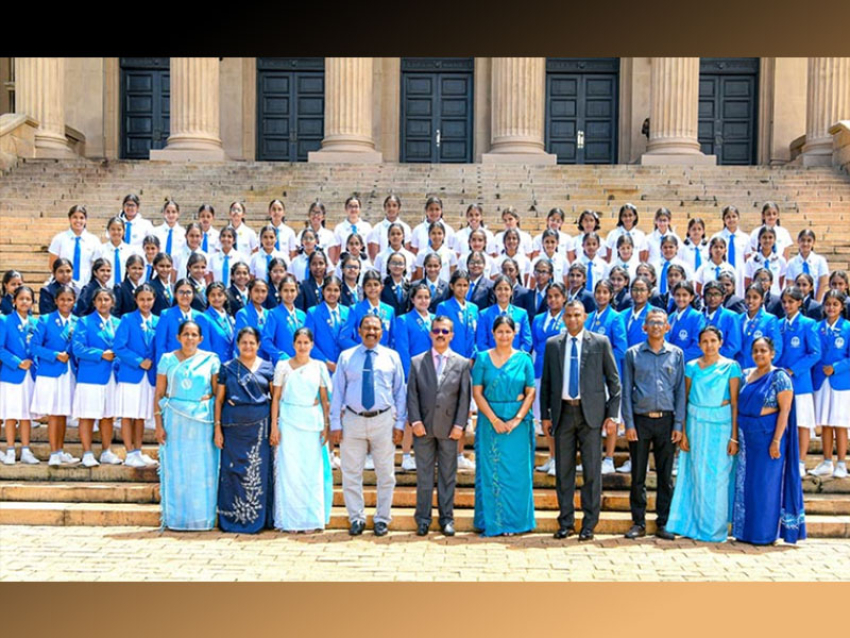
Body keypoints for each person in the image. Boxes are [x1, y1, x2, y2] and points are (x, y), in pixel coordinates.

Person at [540, 301, 621, 541]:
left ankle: (589, 524)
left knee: (592, 472)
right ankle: (566, 522)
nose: (573, 319)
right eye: (568, 315)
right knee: (563, 471)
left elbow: (614, 382)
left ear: (585, 316)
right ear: (563, 318)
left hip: (592, 415)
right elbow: (546, 383)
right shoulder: (553, 344)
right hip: (563, 413)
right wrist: (545, 415)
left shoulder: (599, 342)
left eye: (577, 315)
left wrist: (612, 415)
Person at [330, 315, 406, 536]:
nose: (371, 331)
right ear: (359, 331)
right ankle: (356, 517)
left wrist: (400, 422)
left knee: (386, 473)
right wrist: (335, 423)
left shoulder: (392, 357)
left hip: (383, 419)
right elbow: (338, 393)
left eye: (375, 328)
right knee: (351, 472)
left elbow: (400, 391)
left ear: (382, 332)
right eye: (367, 327)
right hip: (352, 419)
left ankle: (382, 518)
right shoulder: (346, 357)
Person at [666, 326, 742, 542]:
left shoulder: (731, 367)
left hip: (722, 426)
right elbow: (685, 398)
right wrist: (683, 432)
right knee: (696, 475)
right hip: (696, 426)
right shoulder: (692, 367)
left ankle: (715, 530)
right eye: (705, 341)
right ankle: (691, 525)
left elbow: (735, 404)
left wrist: (734, 436)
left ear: (720, 342)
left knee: (718, 477)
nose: (709, 345)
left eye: (713, 341)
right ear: (699, 344)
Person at [733, 337, 806, 545]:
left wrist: (776, 440)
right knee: (748, 485)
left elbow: (785, 411)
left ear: (772, 353)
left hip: (768, 438)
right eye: (755, 351)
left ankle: (763, 534)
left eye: (763, 351)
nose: (759, 355)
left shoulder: (779, 377)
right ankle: (746, 532)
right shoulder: (747, 375)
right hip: (748, 439)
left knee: (766, 486)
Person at [622, 308, 686, 540]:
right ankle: (638, 522)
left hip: (667, 421)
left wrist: (678, 424)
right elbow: (626, 389)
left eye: (661, 323)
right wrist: (628, 423)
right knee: (638, 474)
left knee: (665, 475)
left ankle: (663, 522)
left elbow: (680, 391)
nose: (656, 326)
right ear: (644, 327)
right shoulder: (633, 354)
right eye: (652, 322)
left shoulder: (676, 354)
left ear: (668, 327)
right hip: (640, 420)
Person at [406, 315, 472, 537]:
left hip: (449, 428)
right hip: (423, 428)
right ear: (430, 333)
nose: (440, 335)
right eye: (437, 331)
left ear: (451, 335)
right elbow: (411, 394)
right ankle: (423, 518)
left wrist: (459, 425)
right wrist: (414, 421)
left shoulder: (462, 364)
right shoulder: (417, 362)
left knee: (447, 475)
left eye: (445, 331)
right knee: (424, 476)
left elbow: (465, 397)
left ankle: (447, 518)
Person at [472, 315, 537, 536]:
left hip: (518, 426)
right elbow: (477, 393)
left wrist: (517, 418)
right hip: (491, 423)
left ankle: (516, 523)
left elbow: (530, 391)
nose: (504, 336)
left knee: (516, 474)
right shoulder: (482, 359)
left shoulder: (524, 359)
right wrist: (495, 420)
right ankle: (493, 522)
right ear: (493, 333)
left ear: (514, 333)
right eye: (500, 332)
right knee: (492, 473)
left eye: (508, 332)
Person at [154, 320, 221, 531]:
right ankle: (176, 519)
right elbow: (159, 394)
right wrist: (158, 424)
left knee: (202, 469)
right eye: (186, 334)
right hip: (174, 422)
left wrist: (208, 402)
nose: (189, 338)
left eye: (194, 335)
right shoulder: (167, 359)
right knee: (177, 469)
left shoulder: (210, 360)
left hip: (201, 423)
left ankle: (203, 519)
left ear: (200, 339)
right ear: (178, 337)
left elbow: (217, 392)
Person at [270, 327, 333, 532]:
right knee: (290, 472)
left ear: (312, 345)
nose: (303, 346)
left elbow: (325, 399)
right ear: (293, 344)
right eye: (299, 343)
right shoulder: (283, 366)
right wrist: (274, 426)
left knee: (311, 471)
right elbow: (276, 398)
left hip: (312, 423)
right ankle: (291, 520)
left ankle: (311, 519)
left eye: (306, 343)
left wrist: (326, 426)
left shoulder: (319, 367)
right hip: (288, 422)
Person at [214, 327, 275, 533]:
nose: (248, 346)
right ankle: (233, 518)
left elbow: (275, 399)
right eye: (244, 343)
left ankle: (258, 518)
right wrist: (217, 429)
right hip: (233, 428)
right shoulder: (228, 368)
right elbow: (219, 400)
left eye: (252, 343)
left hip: (260, 428)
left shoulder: (268, 368)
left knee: (256, 472)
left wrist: (275, 426)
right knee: (233, 471)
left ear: (258, 345)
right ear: (238, 345)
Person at [30, 284, 80, 467]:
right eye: (62, 299)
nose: (65, 303)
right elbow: (34, 346)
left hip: (69, 373)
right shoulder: (45, 320)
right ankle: (53, 452)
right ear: (56, 301)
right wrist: (54, 355)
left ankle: (60, 450)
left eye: (69, 299)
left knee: (63, 413)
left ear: (74, 301)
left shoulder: (77, 322)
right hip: (50, 372)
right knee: (53, 413)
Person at [71, 288, 121, 468]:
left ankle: (106, 451)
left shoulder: (118, 323)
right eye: (99, 299)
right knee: (87, 415)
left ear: (112, 302)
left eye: (107, 299)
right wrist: (101, 354)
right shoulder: (84, 322)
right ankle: (87, 452)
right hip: (90, 376)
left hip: (112, 376)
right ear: (94, 302)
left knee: (108, 415)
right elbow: (77, 348)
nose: (103, 303)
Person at [777, 287, 822, 476]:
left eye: (791, 302)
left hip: (800, 382)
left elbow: (815, 353)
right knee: (783, 423)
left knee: (802, 423)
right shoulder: (778, 324)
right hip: (780, 382)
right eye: (784, 302)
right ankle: (785, 459)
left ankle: (801, 461)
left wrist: (793, 370)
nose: (787, 305)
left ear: (799, 302)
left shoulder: (808, 324)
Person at [113, 284, 159, 468]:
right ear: (136, 300)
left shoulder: (157, 320)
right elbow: (119, 347)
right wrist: (139, 361)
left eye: (149, 299)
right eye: (142, 299)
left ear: (154, 300)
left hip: (149, 376)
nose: (146, 303)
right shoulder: (127, 319)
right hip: (131, 374)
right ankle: (129, 451)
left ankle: (138, 451)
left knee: (141, 415)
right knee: (128, 414)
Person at [811, 290, 850, 478]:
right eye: (828, 304)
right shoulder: (817, 328)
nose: (831, 308)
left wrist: (836, 367)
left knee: (840, 423)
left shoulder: (848, 328)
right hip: (821, 381)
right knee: (825, 423)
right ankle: (827, 461)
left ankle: (841, 463)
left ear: (842, 307)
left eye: (835, 304)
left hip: (840, 382)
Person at [0, 286, 39, 465]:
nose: (24, 302)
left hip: (29, 375)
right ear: (14, 301)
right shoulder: (5, 321)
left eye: (28, 299)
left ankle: (25, 449)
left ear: (32, 302)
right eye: (21, 298)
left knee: (25, 414)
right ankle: (9, 449)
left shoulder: (35, 323)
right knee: (10, 413)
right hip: (11, 373)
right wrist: (17, 362)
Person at [47, 204, 100, 292]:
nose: (78, 220)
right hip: (63, 286)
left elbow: (97, 265)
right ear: (69, 219)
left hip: (86, 285)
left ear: (86, 220)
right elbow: (52, 264)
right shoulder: (59, 239)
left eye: (81, 217)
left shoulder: (94, 240)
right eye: (75, 217)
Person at [154, 279, 200, 364]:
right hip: (173, 366)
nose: (185, 295)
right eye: (181, 292)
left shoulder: (200, 317)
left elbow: (204, 346)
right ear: (175, 294)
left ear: (193, 295)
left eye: (188, 292)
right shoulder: (166, 315)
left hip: (195, 368)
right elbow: (160, 346)